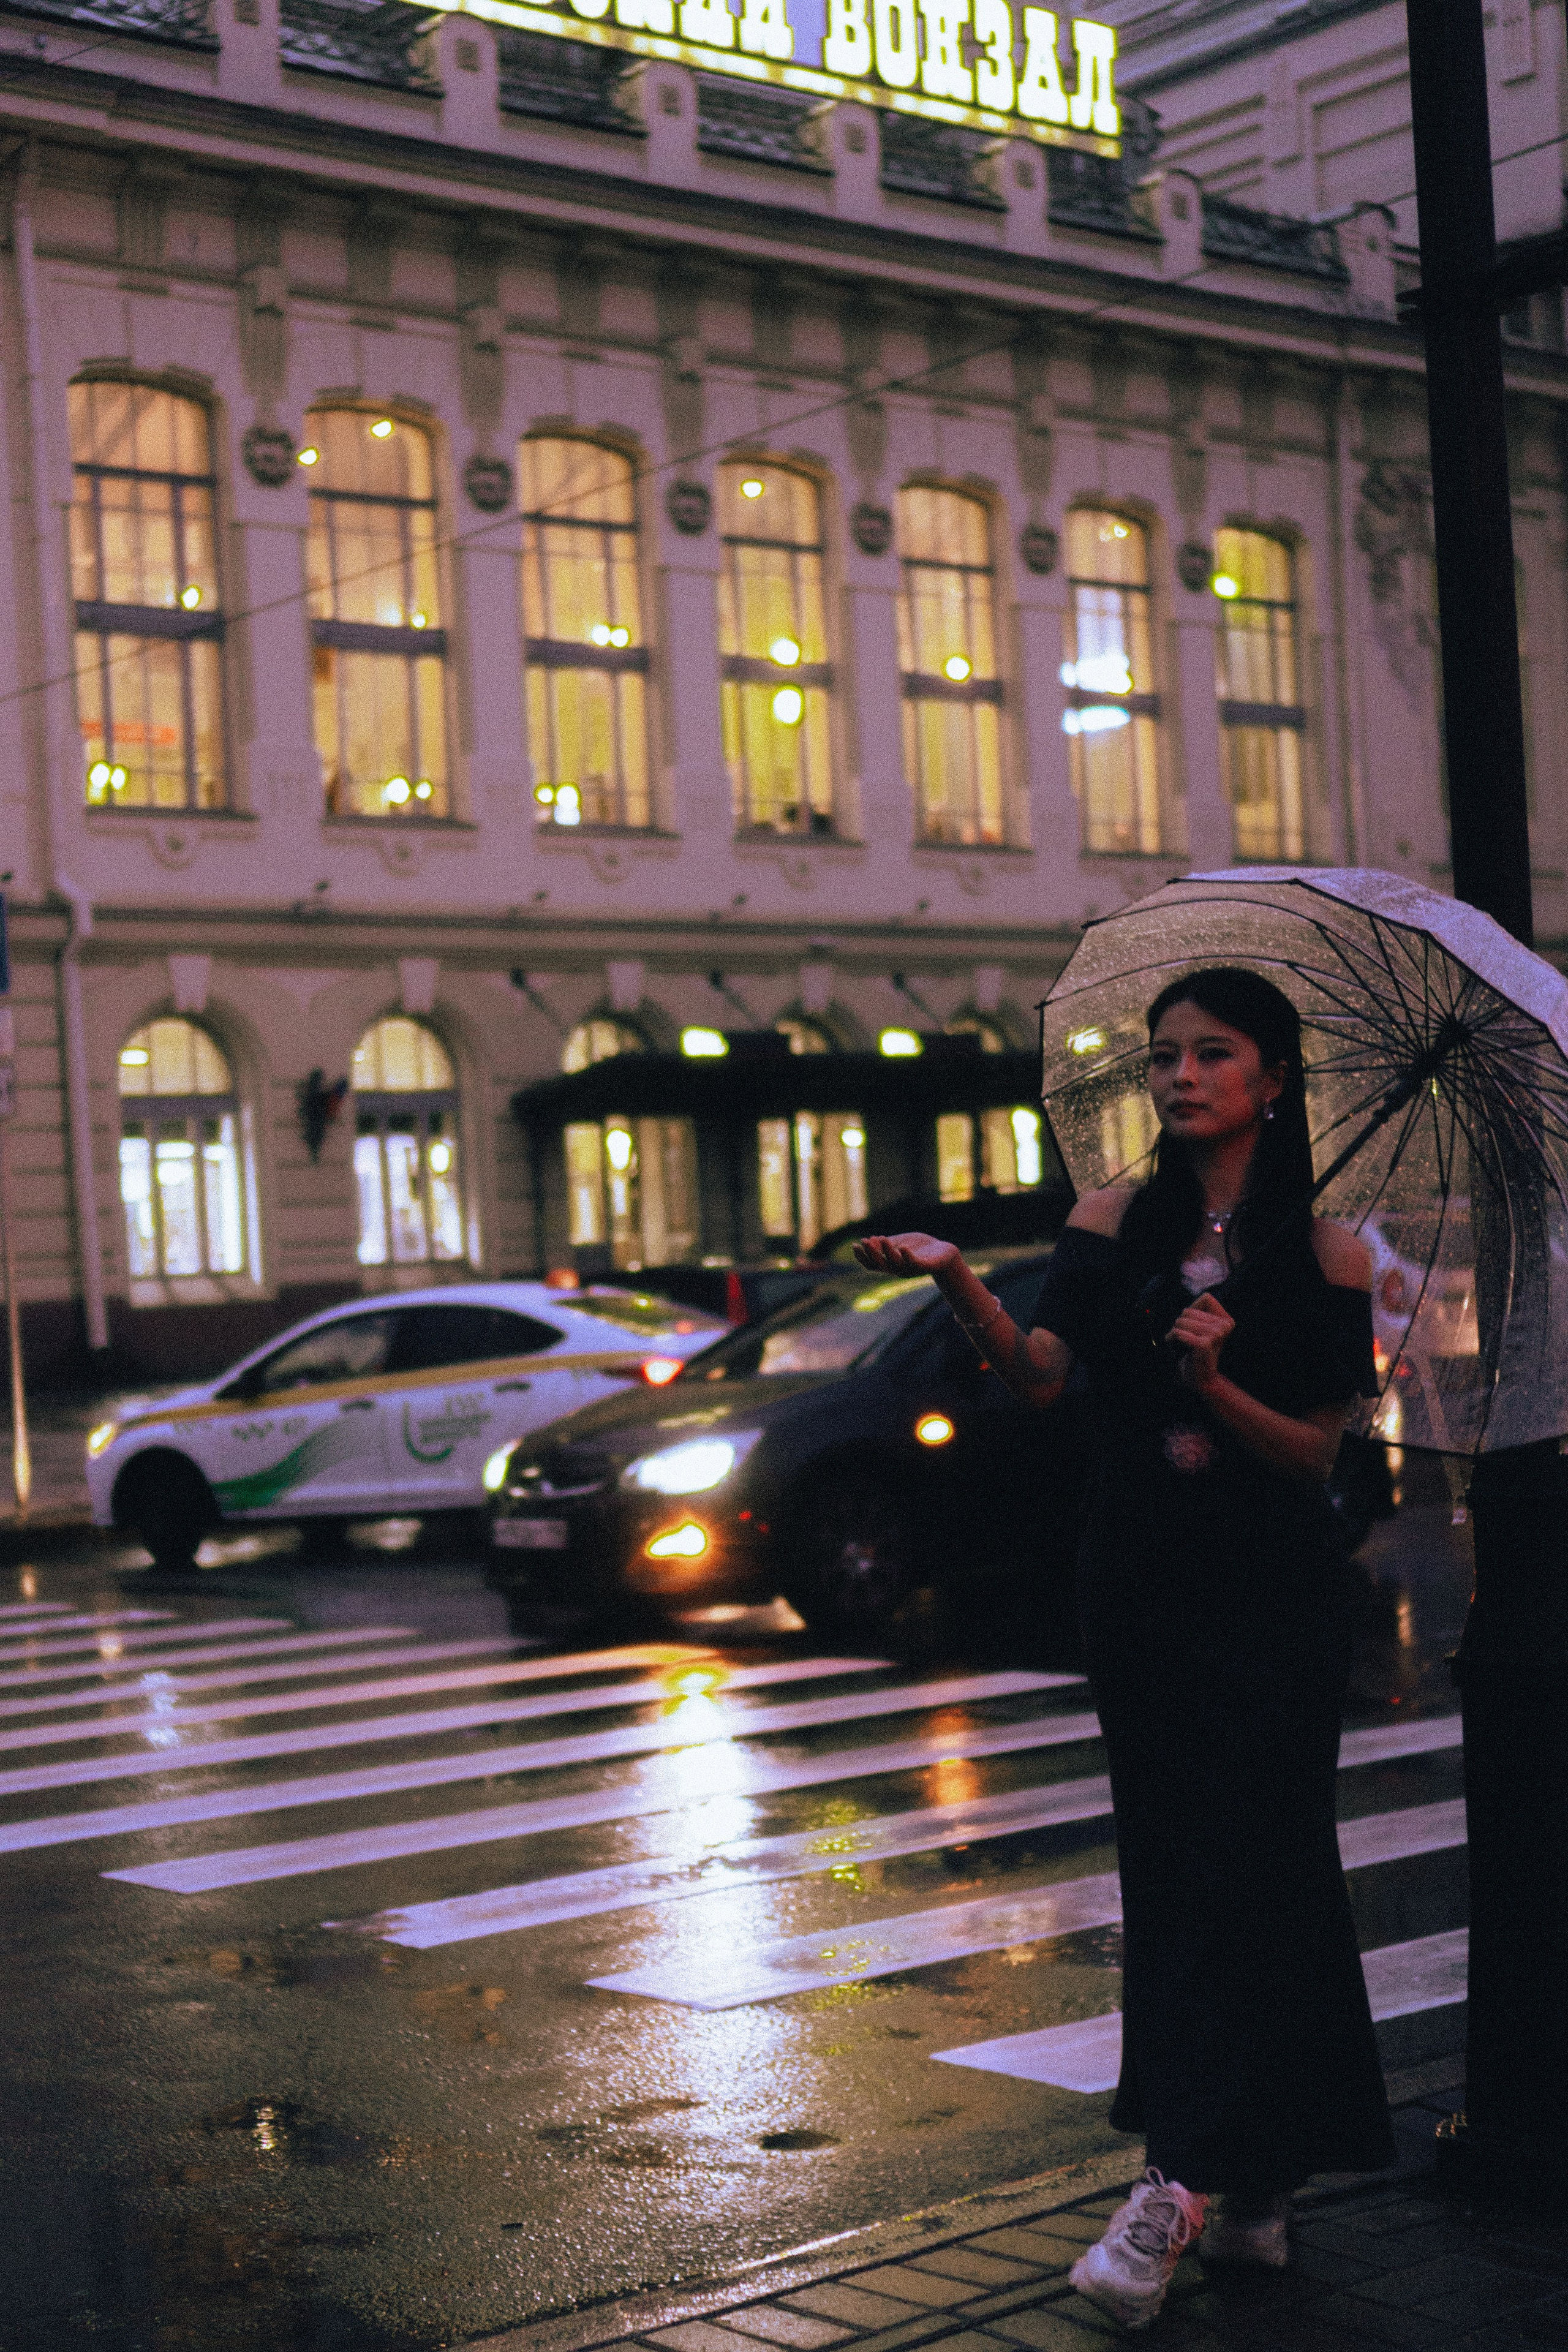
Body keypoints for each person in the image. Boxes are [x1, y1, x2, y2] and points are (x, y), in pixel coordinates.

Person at [854, 967, 1395, 2331]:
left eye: (1211, 1055)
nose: (1177, 1077)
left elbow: (1312, 1458)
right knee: (1173, 1872)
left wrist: (1217, 1382)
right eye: (1162, 1057)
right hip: (1140, 1583)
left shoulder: (1328, 1251)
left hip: (1269, 1594)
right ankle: (1224, 2177)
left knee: (1266, 1871)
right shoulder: (1109, 1218)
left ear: (1273, 1081)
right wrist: (958, 1276)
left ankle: (1202, 2181)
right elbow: (1039, 1375)